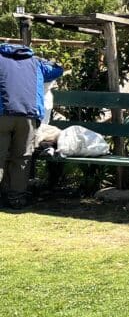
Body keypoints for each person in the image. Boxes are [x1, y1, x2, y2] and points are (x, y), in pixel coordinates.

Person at [0, 42, 64, 208]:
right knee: (22, 158)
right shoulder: (36, 62)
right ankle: (17, 199)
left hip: (2, 114)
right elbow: (58, 69)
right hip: (29, 116)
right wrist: (44, 60)